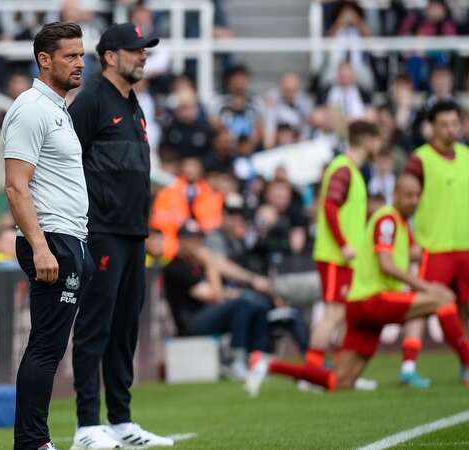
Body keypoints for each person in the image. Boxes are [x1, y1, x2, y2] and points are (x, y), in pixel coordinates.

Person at [247, 175, 469, 394]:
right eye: (408, 195)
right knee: (442, 298)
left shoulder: (400, 224)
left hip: (361, 306)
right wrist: (426, 287)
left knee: (340, 381)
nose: (414, 201)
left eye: (417, 196)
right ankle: (465, 362)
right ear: (395, 195)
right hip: (372, 300)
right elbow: (386, 264)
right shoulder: (388, 220)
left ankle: (268, 365)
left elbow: (413, 253)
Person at [67, 22, 172, 449]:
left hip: (133, 233)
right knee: (96, 326)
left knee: (126, 327)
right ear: (110, 56)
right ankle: (87, 426)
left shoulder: (134, 105)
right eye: (135, 50)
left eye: (145, 49)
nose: (143, 55)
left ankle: (121, 420)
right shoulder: (91, 100)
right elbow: (64, 161)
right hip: (100, 231)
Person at [1, 22, 91, 450]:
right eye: (70, 56)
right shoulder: (31, 108)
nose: (79, 63)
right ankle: (32, 442)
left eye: (81, 55)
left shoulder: (57, 108)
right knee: (46, 346)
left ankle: (35, 440)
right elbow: (16, 186)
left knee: (52, 348)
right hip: (51, 238)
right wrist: (39, 246)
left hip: (69, 237)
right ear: (44, 59)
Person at [399, 100, 469, 386]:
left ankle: (466, 366)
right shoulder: (420, 159)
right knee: (422, 305)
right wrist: (411, 240)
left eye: (455, 123)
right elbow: (404, 201)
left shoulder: (466, 155)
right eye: (445, 124)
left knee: (466, 308)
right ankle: (408, 366)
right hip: (433, 247)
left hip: (465, 246)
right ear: (432, 126)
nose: (452, 129)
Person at [307, 121, 379, 373]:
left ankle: (338, 372)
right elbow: (329, 207)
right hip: (336, 256)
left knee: (343, 315)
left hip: (344, 258)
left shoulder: (350, 170)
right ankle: (312, 371)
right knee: (333, 315)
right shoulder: (344, 169)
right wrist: (344, 244)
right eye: (376, 140)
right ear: (368, 140)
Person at [164, 221, 269, 376]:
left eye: (199, 239)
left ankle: (257, 357)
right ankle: (236, 360)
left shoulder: (197, 263)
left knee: (258, 303)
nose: (198, 244)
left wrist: (251, 281)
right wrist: (210, 265)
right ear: (181, 241)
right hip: (191, 323)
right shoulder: (176, 267)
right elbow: (215, 297)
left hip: (208, 314)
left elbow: (227, 269)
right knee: (243, 303)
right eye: (192, 240)